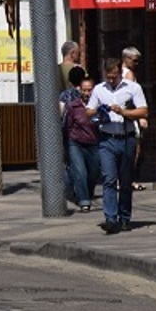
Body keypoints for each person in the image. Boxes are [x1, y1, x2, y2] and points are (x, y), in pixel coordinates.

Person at [89, 58, 149, 234]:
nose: (111, 80)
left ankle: (124, 218)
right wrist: (97, 111)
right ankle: (110, 218)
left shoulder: (132, 88)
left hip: (126, 138)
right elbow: (88, 112)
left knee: (125, 181)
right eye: (109, 77)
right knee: (108, 179)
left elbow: (144, 110)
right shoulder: (99, 90)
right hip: (106, 139)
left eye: (114, 76)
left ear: (119, 74)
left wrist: (123, 112)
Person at [62, 70, 101, 213]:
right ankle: (84, 200)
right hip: (76, 143)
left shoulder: (99, 105)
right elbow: (67, 126)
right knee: (80, 171)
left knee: (93, 172)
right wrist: (66, 145)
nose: (87, 93)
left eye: (90, 90)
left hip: (94, 142)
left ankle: (88, 192)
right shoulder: (73, 106)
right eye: (84, 90)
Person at [121, 46, 147, 190]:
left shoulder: (118, 74)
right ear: (126, 59)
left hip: (122, 116)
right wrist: (140, 116)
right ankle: (129, 179)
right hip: (130, 115)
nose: (137, 64)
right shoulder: (129, 74)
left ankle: (123, 179)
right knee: (135, 149)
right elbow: (130, 97)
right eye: (135, 61)